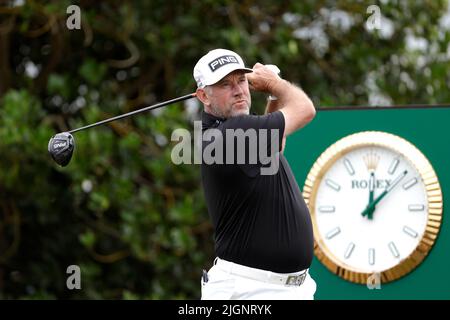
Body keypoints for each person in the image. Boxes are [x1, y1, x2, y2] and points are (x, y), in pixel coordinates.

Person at [193, 48, 317, 300]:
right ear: (203, 96)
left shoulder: (229, 132)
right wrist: (275, 83)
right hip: (251, 291)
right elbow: (305, 109)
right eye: (225, 84)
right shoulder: (230, 134)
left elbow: (275, 141)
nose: (238, 90)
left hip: (279, 288)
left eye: (241, 80)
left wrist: (272, 94)